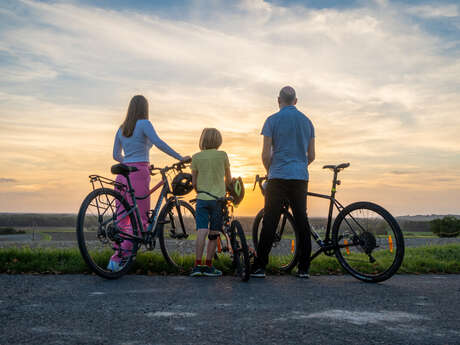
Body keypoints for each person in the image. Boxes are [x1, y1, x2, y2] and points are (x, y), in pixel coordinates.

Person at [107, 95, 189, 271]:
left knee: (122, 219)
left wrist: (128, 162)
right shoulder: (144, 124)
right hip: (139, 174)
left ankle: (115, 260)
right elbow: (159, 143)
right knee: (141, 219)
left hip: (123, 174)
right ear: (145, 109)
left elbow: (116, 154)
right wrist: (180, 157)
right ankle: (125, 259)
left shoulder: (122, 128)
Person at [251, 86, 315, 278]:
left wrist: (269, 171)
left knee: (270, 220)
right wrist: (299, 165)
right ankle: (304, 268)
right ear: (296, 101)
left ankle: (260, 266)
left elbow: (264, 154)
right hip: (300, 176)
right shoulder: (308, 122)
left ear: (279, 100)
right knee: (301, 220)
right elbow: (311, 155)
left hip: (278, 175)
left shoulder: (272, 120)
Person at [190, 128, 232, 277]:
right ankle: (208, 266)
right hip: (218, 200)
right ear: (218, 140)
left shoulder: (196, 157)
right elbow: (229, 179)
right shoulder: (223, 155)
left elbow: (194, 182)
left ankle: (197, 266)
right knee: (214, 232)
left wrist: (200, 192)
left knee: (201, 230)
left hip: (202, 198)